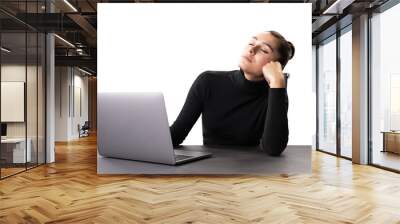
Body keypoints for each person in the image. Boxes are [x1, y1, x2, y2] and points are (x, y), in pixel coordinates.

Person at [169, 30, 295, 156]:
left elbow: (274, 149)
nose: (252, 50)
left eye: (264, 50)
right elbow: (175, 136)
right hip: (210, 168)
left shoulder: (275, 95)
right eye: (251, 43)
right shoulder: (208, 82)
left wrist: (278, 83)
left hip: (253, 170)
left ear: (276, 66)